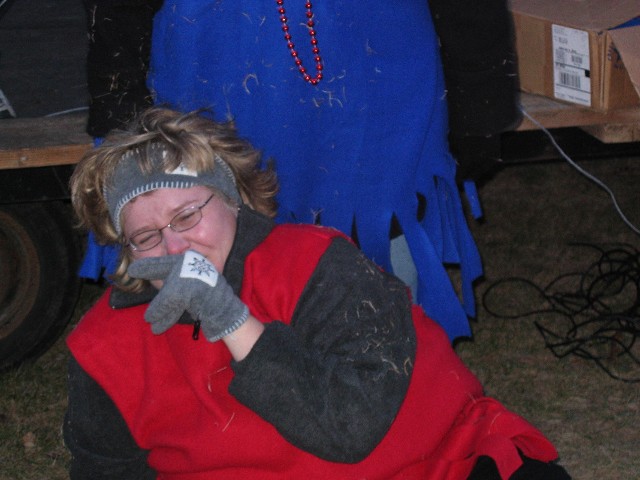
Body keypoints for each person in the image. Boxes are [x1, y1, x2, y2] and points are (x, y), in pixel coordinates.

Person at [64, 107, 571, 480]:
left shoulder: (316, 263)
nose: (175, 247)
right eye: (147, 236)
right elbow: (108, 471)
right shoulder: (103, 345)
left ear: (233, 199)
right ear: (127, 250)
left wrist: (229, 319)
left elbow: (349, 428)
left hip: (435, 465)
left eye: (187, 216)